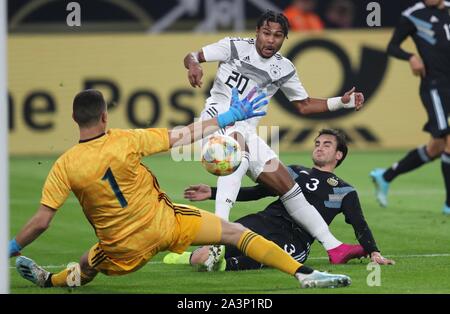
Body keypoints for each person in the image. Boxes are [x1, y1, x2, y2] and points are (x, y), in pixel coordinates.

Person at [9, 88, 353, 290]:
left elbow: (41, 221)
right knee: (234, 233)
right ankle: (304, 274)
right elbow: (185, 134)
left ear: (74, 119)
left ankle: (49, 280)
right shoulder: (127, 140)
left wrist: (9, 247)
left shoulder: (65, 164)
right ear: (104, 117)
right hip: (166, 223)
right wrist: (228, 116)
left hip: (122, 247)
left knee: (87, 263)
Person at [184, 10, 365, 262]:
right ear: (257, 32)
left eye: (278, 36)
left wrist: (341, 102)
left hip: (246, 131)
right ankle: (218, 235)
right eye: (266, 33)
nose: (271, 40)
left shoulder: (283, 67)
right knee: (238, 144)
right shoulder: (233, 47)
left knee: (288, 186)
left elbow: (303, 105)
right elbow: (193, 55)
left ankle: (334, 247)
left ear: (284, 39)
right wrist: (194, 64)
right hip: (216, 121)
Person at [165, 129, 395, 270]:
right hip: (265, 220)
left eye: (327, 144)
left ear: (339, 155)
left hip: (295, 239)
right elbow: (259, 191)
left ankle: (223, 265)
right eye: (317, 143)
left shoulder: (345, 190)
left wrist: (374, 252)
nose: (319, 148)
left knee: (224, 263)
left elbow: (359, 223)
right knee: (202, 258)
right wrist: (213, 192)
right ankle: (189, 258)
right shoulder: (293, 172)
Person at [370, 0, 450, 214]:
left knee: (437, 147)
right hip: (435, 85)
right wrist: (411, 56)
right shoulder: (413, 14)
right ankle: (449, 205)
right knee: (448, 139)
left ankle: (385, 176)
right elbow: (392, 46)